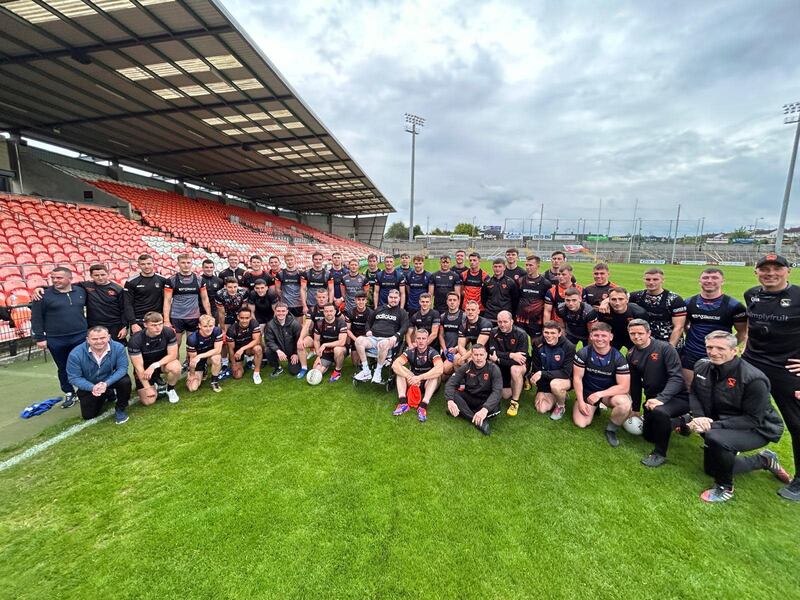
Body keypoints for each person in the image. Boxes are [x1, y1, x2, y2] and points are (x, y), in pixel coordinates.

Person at [689, 331, 788, 503]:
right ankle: (764, 460)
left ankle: (724, 487)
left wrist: (713, 425)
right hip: (725, 422)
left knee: (715, 437)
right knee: (712, 468)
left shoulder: (753, 379)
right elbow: (694, 393)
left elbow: (753, 419)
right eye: (709, 347)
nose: (713, 352)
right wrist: (699, 418)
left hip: (757, 428)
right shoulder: (701, 365)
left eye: (720, 348)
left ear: (735, 350)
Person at [742, 253, 800, 501]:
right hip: (753, 364)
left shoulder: (798, 296)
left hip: (788, 369)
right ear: (757, 272)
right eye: (765, 269)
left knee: (797, 423)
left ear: (788, 271)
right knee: (735, 407)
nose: (770, 273)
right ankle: (727, 449)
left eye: (777, 268)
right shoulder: (752, 294)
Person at [626, 319, 690, 467]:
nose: (637, 337)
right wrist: (635, 408)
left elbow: (676, 377)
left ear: (649, 333)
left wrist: (661, 398)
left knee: (660, 412)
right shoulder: (631, 354)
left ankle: (659, 454)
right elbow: (635, 384)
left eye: (640, 333)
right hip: (652, 398)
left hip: (678, 397)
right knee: (649, 436)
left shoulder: (665, 348)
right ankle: (682, 422)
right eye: (632, 334)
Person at [31, 266, 88, 409]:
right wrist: (39, 338)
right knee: (63, 367)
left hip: (80, 335)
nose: (55, 280)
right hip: (56, 338)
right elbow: (36, 318)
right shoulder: (42, 295)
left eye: (59, 278)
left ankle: (87, 390)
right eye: (53, 278)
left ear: (70, 278)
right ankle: (69, 392)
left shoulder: (81, 291)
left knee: (85, 364)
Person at [681, 268, 747, 385]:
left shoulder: (734, 306)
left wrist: (724, 347)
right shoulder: (688, 303)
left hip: (720, 356)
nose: (709, 281)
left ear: (723, 281)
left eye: (715, 278)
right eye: (705, 278)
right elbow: (684, 326)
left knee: (719, 391)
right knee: (690, 388)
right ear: (699, 281)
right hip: (691, 354)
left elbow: (742, 332)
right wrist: (693, 339)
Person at [572, 322, 632, 446]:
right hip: (588, 392)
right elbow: (577, 379)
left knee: (625, 404)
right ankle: (593, 407)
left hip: (607, 394)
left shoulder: (618, 358)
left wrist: (599, 394)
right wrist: (581, 402)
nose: (600, 339)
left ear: (611, 337)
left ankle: (611, 430)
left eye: (604, 336)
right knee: (581, 423)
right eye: (596, 335)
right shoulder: (583, 353)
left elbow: (624, 386)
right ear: (591, 336)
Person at [66, 326, 131, 424]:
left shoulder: (118, 347)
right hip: (91, 384)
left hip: (109, 380)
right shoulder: (76, 354)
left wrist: (106, 384)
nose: (99, 341)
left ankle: (120, 408)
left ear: (109, 337)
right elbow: (74, 377)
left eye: (102, 338)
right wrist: (92, 387)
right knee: (89, 415)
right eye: (94, 339)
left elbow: (122, 368)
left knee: (125, 381)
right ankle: (106, 393)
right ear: (88, 340)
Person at [445, 344, 503, 435]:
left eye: (481, 355)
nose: (478, 358)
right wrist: (450, 401)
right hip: (470, 397)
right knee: (454, 394)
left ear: (486, 355)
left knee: (495, 408)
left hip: (485, 400)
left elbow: (497, 392)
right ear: (471, 356)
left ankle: (462, 412)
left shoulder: (494, 369)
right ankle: (478, 422)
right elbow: (451, 384)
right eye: (476, 355)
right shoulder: (466, 367)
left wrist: (485, 409)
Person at [354, 289, 409, 384]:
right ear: (388, 298)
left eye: (395, 298)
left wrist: (395, 336)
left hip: (388, 340)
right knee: (358, 340)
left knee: (383, 344)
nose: (393, 300)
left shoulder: (402, 312)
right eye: (391, 297)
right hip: (373, 339)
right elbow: (368, 322)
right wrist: (368, 331)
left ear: (399, 299)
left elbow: (404, 327)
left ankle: (377, 372)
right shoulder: (379, 309)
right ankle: (366, 370)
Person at [128, 311, 181, 405]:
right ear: (145, 324)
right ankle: (154, 384)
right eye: (153, 325)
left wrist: (154, 365)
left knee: (176, 367)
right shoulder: (135, 340)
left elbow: (173, 355)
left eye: (160, 324)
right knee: (149, 401)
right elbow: (138, 367)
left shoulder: (168, 332)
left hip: (161, 364)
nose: (158, 328)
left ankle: (170, 389)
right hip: (145, 369)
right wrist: (147, 388)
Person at [391, 328, 444, 421]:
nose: (421, 341)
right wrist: (408, 376)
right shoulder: (410, 352)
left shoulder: (432, 352)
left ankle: (423, 406)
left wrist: (420, 377)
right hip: (413, 380)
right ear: (415, 340)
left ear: (427, 340)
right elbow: (395, 365)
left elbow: (440, 369)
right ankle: (403, 403)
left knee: (436, 375)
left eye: (423, 339)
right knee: (399, 370)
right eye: (418, 338)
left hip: (428, 382)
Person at [625, 268, 686, 346]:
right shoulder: (637, 296)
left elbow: (679, 327)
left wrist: (670, 348)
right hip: (645, 342)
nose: (651, 282)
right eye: (648, 279)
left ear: (662, 280)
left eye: (655, 279)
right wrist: (606, 302)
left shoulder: (674, 299)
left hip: (668, 342)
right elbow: (618, 297)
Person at [163, 253, 211, 347]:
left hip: (193, 317)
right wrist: (166, 320)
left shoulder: (199, 279)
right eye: (183, 262)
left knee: (192, 343)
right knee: (176, 344)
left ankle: (189, 362)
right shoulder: (171, 280)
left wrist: (209, 315)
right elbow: (167, 301)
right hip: (176, 317)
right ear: (178, 263)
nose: (186, 265)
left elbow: (205, 299)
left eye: (188, 262)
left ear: (191, 263)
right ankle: (175, 362)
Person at [530, 321, 575, 420]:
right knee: (541, 408)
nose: (549, 336)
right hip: (546, 380)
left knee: (555, 385)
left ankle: (560, 406)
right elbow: (536, 368)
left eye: (553, 333)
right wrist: (542, 389)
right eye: (546, 332)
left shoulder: (569, 347)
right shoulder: (537, 343)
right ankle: (558, 394)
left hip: (565, 379)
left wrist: (542, 373)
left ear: (559, 333)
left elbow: (565, 373)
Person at [488, 310, 529, 417]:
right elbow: (493, 353)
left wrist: (499, 359)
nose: (502, 325)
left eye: (505, 322)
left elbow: (520, 360)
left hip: (517, 366)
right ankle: (519, 382)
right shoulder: (493, 332)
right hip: (502, 365)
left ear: (512, 321)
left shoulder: (521, 334)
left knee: (515, 370)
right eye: (499, 322)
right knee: (505, 395)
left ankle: (514, 402)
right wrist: (511, 355)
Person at [74, 264, 127, 344]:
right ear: (91, 276)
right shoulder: (86, 285)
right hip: (94, 325)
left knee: (116, 349)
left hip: (114, 326)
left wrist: (124, 327)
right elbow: (66, 285)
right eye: (96, 275)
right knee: (96, 349)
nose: (100, 277)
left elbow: (124, 309)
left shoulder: (117, 289)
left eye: (103, 274)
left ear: (108, 274)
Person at [124, 254, 167, 334]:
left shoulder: (163, 280)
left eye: (149, 263)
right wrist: (133, 323)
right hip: (139, 321)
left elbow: (167, 301)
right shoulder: (131, 282)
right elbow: (127, 304)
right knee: (138, 345)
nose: (146, 266)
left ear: (154, 264)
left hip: (157, 320)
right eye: (143, 264)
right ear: (138, 265)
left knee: (158, 345)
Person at [297, 288, 333, 377]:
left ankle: (329, 361)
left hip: (329, 340)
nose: (321, 299)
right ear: (316, 297)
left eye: (323, 297)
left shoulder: (333, 309)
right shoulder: (312, 310)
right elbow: (306, 325)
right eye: (319, 297)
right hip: (315, 338)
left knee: (318, 367)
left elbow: (342, 322)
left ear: (327, 297)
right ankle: (304, 368)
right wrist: (300, 339)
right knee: (301, 344)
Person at [185, 314, 224, 393]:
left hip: (209, 355)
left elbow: (217, 350)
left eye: (211, 326)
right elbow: (193, 360)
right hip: (197, 360)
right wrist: (192, 375)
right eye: (205, 326)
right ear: (199, 326)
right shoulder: (192, 339)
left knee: (216, 358)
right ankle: (203, 369)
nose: (208, 329)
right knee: (192, 388)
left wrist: (200, 355)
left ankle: (214, 381)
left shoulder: (217, 331)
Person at [264, 302, 305, 377]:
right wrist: (278, 350)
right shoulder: (270, 325)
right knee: (268, 351)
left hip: (292, 351)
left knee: (294, 371)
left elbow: (299, 340)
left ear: (287, 311)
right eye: (278, 311)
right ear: (275, 312)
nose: (281, 313)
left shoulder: (294, 324)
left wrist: (295, 353)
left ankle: (294, 359)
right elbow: (269, 341)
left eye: (283, 311)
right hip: (279, 350)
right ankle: (277, 367)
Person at [514, 254, 549, 339]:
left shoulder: (546, 283)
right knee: (519, 346)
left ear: (538, 266)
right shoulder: (520, 281)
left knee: (536, 346)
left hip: (536, 322)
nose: (528, 267)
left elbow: (548, 304)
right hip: (520, 320)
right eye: (526, 265)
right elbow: (515, 299)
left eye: (531, 265)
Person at [311, 303, 348, 382]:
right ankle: (329, 362)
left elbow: (342, 342)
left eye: (331, 311)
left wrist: (325, 344)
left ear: (335, 312)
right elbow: (316, 340)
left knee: (337, 350)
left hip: (340, 349)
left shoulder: (341, 322)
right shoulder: (319, 323)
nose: (329, 313)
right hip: (326, 351)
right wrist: (318, 354)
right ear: (323, 312)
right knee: (316, 370)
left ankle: (337, 371)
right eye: (326, 311)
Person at [226, 307, 263, 384]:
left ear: (250, 317)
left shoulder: (254, 323)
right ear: (238, 317)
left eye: (247, 318)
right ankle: (242, 363)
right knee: (237, 375)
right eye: (242, 318)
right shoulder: (231, 330)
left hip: (248, 348)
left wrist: (242, 349)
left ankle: (256, 373)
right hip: (237, 351)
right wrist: (233, 364)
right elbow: (231, 349)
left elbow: (256, 340)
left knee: (258, 348)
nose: (244, 320)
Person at [456, 300, 492, 367]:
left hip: (487, 354)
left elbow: (478, 346)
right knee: (456, 358)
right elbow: (460, 346)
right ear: (465, 311)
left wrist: (464, 358)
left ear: (478, 311)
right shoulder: (463, 325)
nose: (470, 312)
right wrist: (466, 357)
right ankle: (461, 377)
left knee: (471, 360)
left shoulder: (485, 324)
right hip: (473, 353)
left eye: (473, 310)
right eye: (468, 310)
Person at [481, 259, 519, 323]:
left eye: (499, 266)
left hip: (504, 317)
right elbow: (483, 299)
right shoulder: (487, 282)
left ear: (504, 267)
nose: (497, 269)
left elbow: (515, 300)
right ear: (492, 267)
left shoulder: (511, 282)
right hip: (490, 316)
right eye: (495, 266)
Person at [438, 291, 465, 378]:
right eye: (450, 300)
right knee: (442, 375)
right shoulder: (443, 316)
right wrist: (445, 349)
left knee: (446, 369)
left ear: (458, 302)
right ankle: (453, 371)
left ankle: (458, 374)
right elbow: (441, 335)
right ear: (447, 302)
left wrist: (457, 348)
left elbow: (467, 337)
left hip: (459, 350)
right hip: (447, 351)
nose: (452, 302)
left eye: (454, 300)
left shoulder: (464, 316)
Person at [274, 253, 306, 317]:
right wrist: (285, 297)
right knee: (286, 324)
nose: (290, 262)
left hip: (298, 304)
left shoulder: (301, 273)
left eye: (291, 260)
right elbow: (277, 289)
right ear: (285, 261)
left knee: (298, 325)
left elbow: (304, 289)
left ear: (295, 260)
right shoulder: (280, 274)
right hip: (286, 305)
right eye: (288, 260)